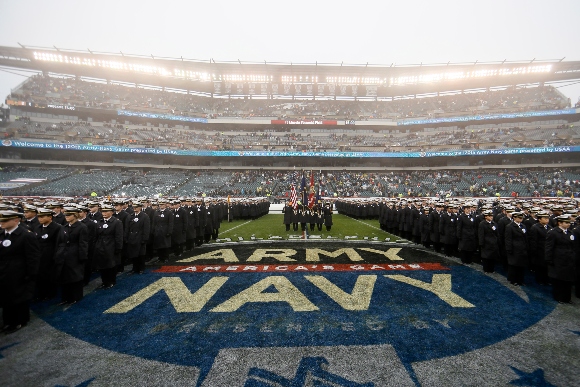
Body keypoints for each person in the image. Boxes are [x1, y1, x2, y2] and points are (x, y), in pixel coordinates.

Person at [0, 210, 40, 333]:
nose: (2, 223)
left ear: (16, 220)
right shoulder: (2, 234)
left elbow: (33, 257)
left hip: (19, 271)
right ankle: (8, 321)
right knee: (6, 296)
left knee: (19, 298)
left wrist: (31, 274)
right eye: (1, 220)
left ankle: (19, 321)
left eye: (5, 220)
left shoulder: (26, 235)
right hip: (4, 271)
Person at [53, 207, 89, 305]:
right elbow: (59, 242)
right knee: (64, 277)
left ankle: (75, 297)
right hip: (63, 255)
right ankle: (66, 297)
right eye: (66, 215)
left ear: (75, 215)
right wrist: (57, 254)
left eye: (69, 215)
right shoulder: (64, 227)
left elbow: (83, 243)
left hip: (75, 255)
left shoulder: (82, 227)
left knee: (75, 277)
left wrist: (82, 257)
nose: (67, 217)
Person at [545, 214, 576, 304]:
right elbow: (549, 247)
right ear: (560, 223)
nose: (568, 224)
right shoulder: (553, 232)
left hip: (569, 260)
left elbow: (572, 246)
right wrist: (549, 259)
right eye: (566, 223)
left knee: (568, 280)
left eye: (569, 223)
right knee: (559, 280)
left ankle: (567, 298)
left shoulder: (570, 232)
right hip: (558, 259)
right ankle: (559, 297)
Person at [33, 208, 61, 301]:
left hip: (51, 255)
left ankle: (50, 293)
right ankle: (41, 293)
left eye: (42, 217)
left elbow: (59, 243)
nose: (39, 219)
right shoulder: (37, 227)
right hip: (39, 255)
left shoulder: (57, 228)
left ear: (50, 217)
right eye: (39, 217)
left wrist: (56, 256)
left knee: (50, 275)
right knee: (40, 275)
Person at [94, 204, 124, 289]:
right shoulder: (100, 222)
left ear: (111, 212)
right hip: (100, 247)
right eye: (103, 211)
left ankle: (111, 281)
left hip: (111, 246)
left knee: (111, 266)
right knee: (102, 265)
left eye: (106, 211)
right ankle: (104, 281)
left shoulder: (117, 222)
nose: (104, 213)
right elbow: (96, 235)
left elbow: (119, 236)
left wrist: (118, 248)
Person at [126, 201, 150, 274]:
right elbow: (127, 228)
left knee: (141, 254)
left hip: (140, 238)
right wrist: (126, 237)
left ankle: (141, 268)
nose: (135, 208)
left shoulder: (144, 216)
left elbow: (146, 228)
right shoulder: (130, 216)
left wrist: (145, 239)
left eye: (136, 207)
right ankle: (134, 268)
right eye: (134, 207)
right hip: (132, 238)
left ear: (140, 207)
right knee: (133, 254)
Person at [528, 211, 552, 286]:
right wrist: (534, 251)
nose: (547, 220)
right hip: (539, 250)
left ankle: (546, 279)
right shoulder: (535, 227)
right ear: (539, 219)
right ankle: (540, 280)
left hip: (547, 250)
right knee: (540, 266)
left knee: (546, 266)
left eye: (547, 218)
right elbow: (533, 241)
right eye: (545, 218)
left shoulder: (550, 227)